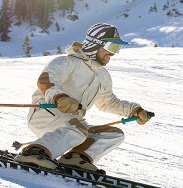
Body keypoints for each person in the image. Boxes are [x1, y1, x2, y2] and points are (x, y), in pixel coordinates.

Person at [15, 23, 153, 172]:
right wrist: (59, 97)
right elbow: (45, 80)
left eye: (117, 48)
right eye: (112, 47)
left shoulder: (102, 75)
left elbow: (108, 102)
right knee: (78, 129)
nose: (113, 54)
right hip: (46, 114)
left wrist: (134, 110)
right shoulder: (67, 62)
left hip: (73, 122)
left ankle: (76, 158)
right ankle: (33, 153)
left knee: (113, 135)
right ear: (95, 45)